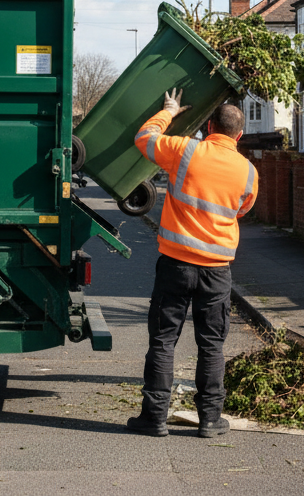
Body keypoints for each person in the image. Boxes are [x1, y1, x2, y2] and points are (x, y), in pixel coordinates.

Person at [125, 89, 257, 438]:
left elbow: (145, 138)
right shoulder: (248, 172)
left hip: (176, 264)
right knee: (211, 345)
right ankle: (210, 421)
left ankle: (154, 418)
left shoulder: (186, 150)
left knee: (164, 341)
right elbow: (242, 209)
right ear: (238, 135)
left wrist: (168, 111)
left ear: (208, 126)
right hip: (217, 270)